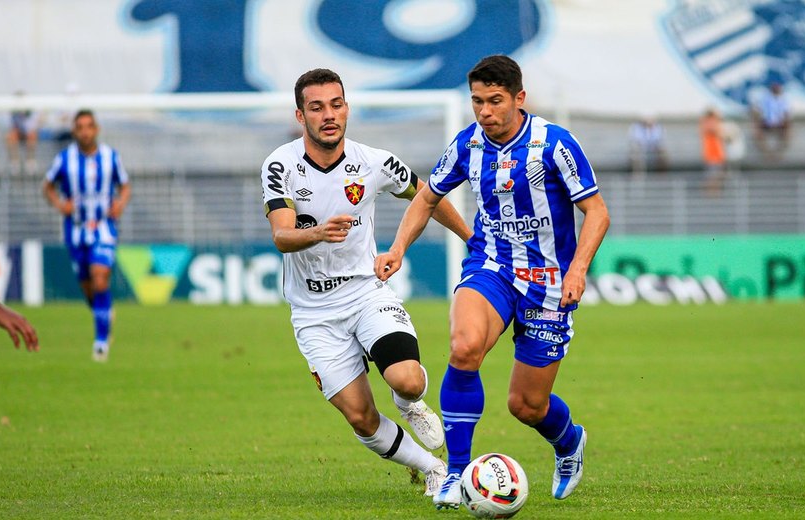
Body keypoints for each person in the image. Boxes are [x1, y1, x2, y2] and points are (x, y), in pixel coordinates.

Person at [375, 55, 611, 508]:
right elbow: (425, 199)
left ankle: (569, 442)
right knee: (464, 347)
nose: (485, 111)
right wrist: (398, 249)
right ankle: (457, 473)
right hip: (492, 267)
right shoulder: (468, 145)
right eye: (477, 102)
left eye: (495, 101)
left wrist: (578, 269)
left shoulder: (555, 144)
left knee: (526, 406)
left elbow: (596, 212)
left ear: (519, 98)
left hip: (548, 283)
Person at [260, 68, 473, 499]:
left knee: (408, 380)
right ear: (300, 116)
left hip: (364, 293)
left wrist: (473, 240)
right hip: (313, 312)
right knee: (360, 417)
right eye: (316, 107)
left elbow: (427, 196)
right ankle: (432, 467)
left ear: (347, 108)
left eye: (336, 105)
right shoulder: (280, 165)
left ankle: (409, 403)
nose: (328, 115)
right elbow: (282, 235)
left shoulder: (373, 161)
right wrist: (317, 232)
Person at [43, 109, 131, 362]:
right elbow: (47, 186)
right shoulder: (64, 160)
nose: (84, 131)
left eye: (88, 126)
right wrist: (60, 205)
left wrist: (120, 203)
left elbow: (124, 186)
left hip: (103, 227)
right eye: (79, 127)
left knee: (100, 277)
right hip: (76, 229)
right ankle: (104, 312)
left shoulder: (111, 157)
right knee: (88, 286)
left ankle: (101, 342)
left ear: (96, 129)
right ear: (74, 131)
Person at [752, 82, 791, 160]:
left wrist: (782, 121)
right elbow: (758, 110)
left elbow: (786, 113)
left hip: (779, 123)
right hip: (766, 122)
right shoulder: (765, 99)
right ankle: (767, 153)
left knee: (788, 129)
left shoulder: (783, 100)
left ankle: (779, 152)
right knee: (757, 130)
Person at [6, 91, 40, 175]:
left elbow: (32, 128)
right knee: (11, 136)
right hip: (19, 134)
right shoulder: (13, 113)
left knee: (32, 135)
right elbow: (12, 127)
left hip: (28, 134)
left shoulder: (31, 112)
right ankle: (14, 162)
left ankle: (30, 161)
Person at [699, 108, 727, 197]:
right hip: (710, 155)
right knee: (711, 176)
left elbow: (722, 135)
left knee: (718, 176)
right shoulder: (706, 123)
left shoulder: (716, 123)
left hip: (718, 155)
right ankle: (710, 194)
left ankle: (715, 193)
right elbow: (713, 130)